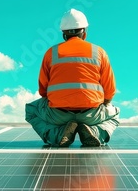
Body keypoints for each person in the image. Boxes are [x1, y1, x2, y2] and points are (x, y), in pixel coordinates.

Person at [25, 8, 120, 147]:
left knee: (31, 110)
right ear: (84, 33)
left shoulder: (51, 53)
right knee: (115, 113)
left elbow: (43, 91)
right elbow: (110, 90)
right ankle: (95, 131)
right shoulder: (99, 52)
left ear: (64, 34)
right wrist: (103, 103)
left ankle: (58, 135)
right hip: (91, 114)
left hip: (58, 114)